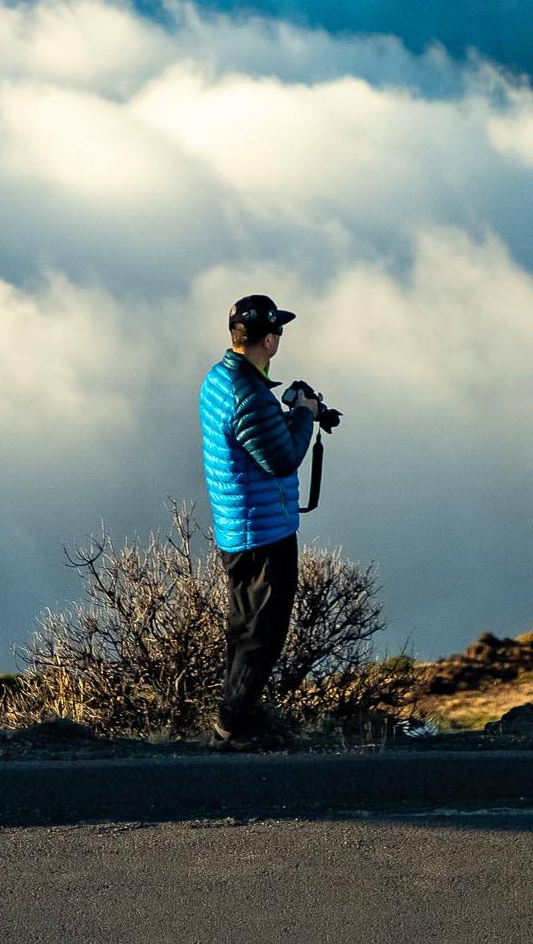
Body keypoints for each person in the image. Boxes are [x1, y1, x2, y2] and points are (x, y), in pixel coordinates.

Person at [198, 292, 325, 748]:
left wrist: (288, 414)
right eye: (278, 332)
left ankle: (237, 715)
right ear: (269, 341)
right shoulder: (249, 396)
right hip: (264, 532)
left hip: (236, 525)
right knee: (263, 634)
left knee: (243, 626)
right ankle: (232, 727)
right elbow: (282, 459)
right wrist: (305, 416)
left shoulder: (217, 378)